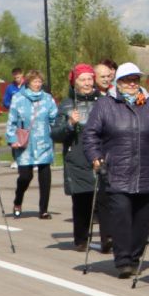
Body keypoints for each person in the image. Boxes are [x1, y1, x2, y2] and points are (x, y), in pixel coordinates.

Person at [82, 62, 149, 278]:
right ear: (118, 82)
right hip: (116, 171)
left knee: (142, 222)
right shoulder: (106, 105)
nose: (131, 84)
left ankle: (135, 256)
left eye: (135, 79)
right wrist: (96, 157)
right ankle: (123, 260)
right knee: (121, 219)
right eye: (127, 80)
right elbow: (90, 134)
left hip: (146, 171)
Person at [52, 65, 103, 253]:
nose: (88, 83)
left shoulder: (103, 101)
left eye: (90, 79)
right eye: (83, 79)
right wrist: (69, 124)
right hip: (78, 158)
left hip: (100, 156)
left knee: (104, 200)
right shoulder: (67, 104)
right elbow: (55, 134)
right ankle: (81, 239)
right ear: (74, 82)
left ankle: (108, 238)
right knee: (82, 202)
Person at [7, 69, 57, 219]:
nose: (38, 84)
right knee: (25, 177)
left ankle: (43, 209)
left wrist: (60, 129)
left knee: (45, 177)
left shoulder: (48, 98)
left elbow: (54, 118)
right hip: (25, 144)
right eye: (35, 81)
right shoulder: (18, 98)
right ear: (28, 83)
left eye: (40, 81)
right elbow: (11, 121)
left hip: (44, 142)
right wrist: (12, 140)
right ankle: (18, 200)